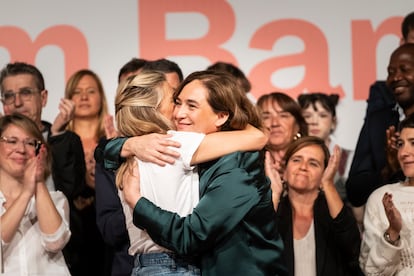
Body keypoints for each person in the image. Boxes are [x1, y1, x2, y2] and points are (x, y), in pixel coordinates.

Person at [119, 70, 287, 276]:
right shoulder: (177, 149)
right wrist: (130, 143)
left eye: (192, 106)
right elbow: (104, 151)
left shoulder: (238, 163)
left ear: (222, 116)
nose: (179, 113)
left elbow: (191, 235)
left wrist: (137, 202)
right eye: (177, 103)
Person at [94, 58, 182, 276]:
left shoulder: (188, 142)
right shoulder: (115, 157)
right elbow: (109, 230)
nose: (179, 107)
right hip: (139, 264)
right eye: (173, 99)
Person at [0, 62, 86, 274]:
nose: (17, 102)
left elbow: (73, 190)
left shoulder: (62, 141)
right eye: (9, 95)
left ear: (43, 97)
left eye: (25, 93)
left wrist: (57, 136)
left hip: (62, 255)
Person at [346, 11, 414, 210]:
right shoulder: (378, 122)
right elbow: (354, 192)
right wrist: (389, 171)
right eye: (391, 72)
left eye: (405, 69)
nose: (395, 78)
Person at [265, 136, 362, 276]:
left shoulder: (334, 212)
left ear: (325, 173)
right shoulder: (275, 210)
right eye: (297, 160)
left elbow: (352, 250)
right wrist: (274, 193)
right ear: (284, 171)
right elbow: (257, 250)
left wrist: (328, 184)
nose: (303, 167)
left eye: (313, 163)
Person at [0, 113, 71, 275]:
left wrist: (38, 182)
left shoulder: (55, 199)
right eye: (12, 141)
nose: (21, 149)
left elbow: (55, 242)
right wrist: (26, 193)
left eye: (30, 143)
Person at [64, 68, 110, 275]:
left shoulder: (113, 140)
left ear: (101, 97)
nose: (83, 97)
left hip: (107, 235)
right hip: (70, 234)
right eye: (77, 91)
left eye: (91, 91)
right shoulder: (59, 142)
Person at [360, 113, 414, 275]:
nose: (403, 152)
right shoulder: (381, 197)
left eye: (413, 143)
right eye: (400, 144)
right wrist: (393, 231)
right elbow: (371, 272)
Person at [298, 93, 353, 203]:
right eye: (307, 116)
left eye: (322, 115)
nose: (314, 122)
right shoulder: (290, 157)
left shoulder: (348, 157)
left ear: (333, 122)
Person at [256, 92, 308, 174]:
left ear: (297, 126)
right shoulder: (246, 164)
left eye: (283, 116)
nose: (275, 123)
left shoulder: (311, 161)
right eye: (266, 117)